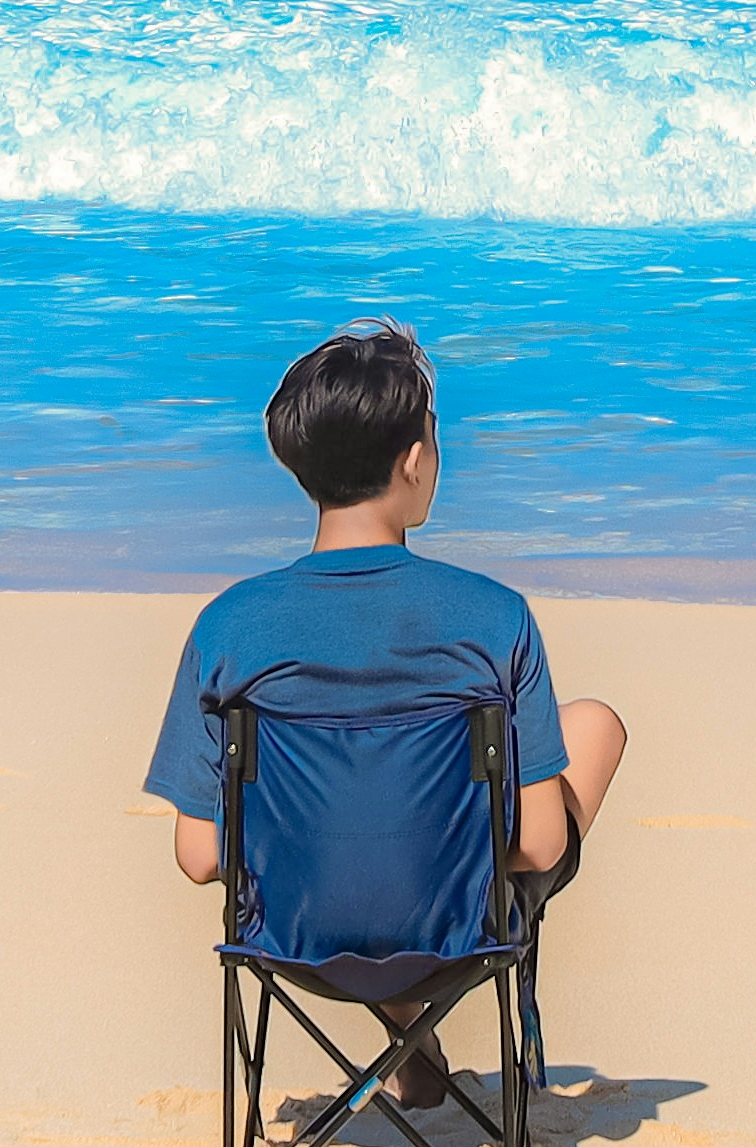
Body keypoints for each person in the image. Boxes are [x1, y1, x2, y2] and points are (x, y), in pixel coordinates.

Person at [145, 321, 631, 1107]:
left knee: (362, 826)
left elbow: (201, 854)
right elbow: (540, 842)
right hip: (451, 930)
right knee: (593, 725)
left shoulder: (228, 625)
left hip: (294, 931)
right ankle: (422, 1008)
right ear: (411, 459)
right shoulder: (493, 615)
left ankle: (408, 1027)